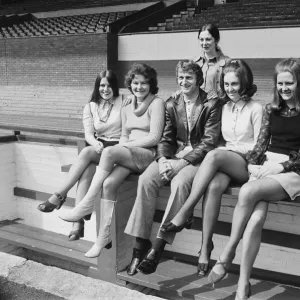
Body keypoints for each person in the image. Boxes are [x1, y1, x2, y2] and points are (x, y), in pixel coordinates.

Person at [161, 59, 263, 277]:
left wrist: (229, 152)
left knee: (215, 153)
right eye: (226, 84)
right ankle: (206, 247)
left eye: (235, 84)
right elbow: (217, 136)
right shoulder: (223, 107)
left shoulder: (256, 108)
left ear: (245, 82)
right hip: (224, 162)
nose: (230, 89)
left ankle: (185, 211)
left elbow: (258, 147)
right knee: (214, 187)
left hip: (247, 164)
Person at [208, 58, 300, 300]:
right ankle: (243, 284)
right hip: (268, 167)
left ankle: (227, 252)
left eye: (289, 83)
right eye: (280, 83)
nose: (284, 88)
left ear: (299, 83)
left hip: (293, 172)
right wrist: (253, 166)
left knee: (248, 193)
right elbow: (260, 145)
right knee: (256, 218)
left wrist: (278, 167)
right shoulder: (271, 109)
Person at [124, 60, 222, 276]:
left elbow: (209, 141)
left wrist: (181, 163)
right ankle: (139, 248)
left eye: (188, 77)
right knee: (146, 180)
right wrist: (161, 160)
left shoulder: (212, 103)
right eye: (180, 78)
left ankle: (157, 248)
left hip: (196, 159)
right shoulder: (171, 103)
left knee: (179, 184)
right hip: (172, 156)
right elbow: (166, 138)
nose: (183, 81)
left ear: (198, 80)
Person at [59, 63, 165, 258]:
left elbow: (155, 137)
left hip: (147, 155)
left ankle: (85, 206)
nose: (139, 87)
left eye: (144, 83)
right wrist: (124, 146)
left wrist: (125, 147)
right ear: (130, 84)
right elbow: (124, 135)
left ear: (151, 85)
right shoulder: (127, 106)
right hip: (129, 155)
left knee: (108, 153)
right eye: (135, 83)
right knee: (108, 184)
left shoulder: (157, 103)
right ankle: (103, 237)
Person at [37, 70, 123, 241]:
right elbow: (89, 134)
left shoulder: (124, 102)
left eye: (109, 85)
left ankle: (59, 196)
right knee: (87, 169)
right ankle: (78, 223)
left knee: (86, 152)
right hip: (99, 148)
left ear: (115, 86)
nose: (105, 89)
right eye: (102, 85)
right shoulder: (90, 106)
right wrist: (95, 143)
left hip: (119, 150)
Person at [195, 23, 229, 98]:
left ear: (216, 40)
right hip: (199, 107)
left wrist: (220, 96)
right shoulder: (195, 63)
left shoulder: (228, 63)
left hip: (219, 106)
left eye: (208, 39)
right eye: (201, 39)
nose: (204, 43)